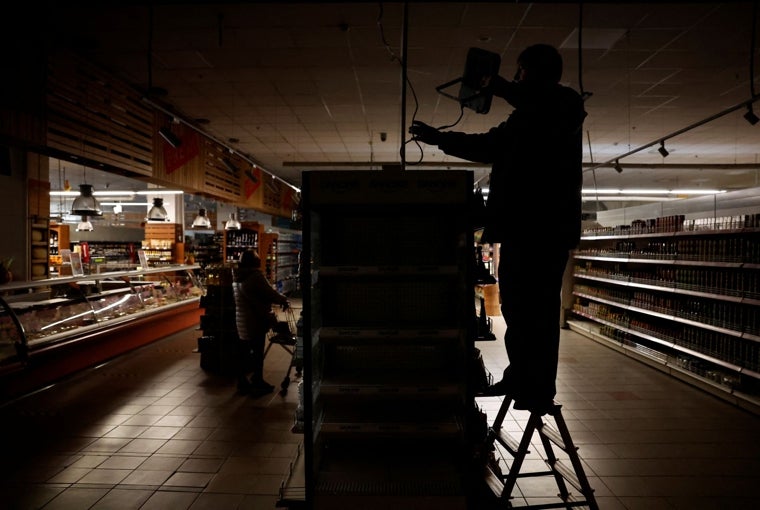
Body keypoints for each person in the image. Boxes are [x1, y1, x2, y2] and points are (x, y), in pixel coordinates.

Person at [409, 44, 586, 414]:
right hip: (525, 229)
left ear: (534, 73)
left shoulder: (563, 107)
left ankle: (536, 386)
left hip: (542, 229)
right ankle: (521, 374)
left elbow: (537, 107)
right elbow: (491, 144)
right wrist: (442, 139)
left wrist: (503, 87)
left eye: (521, 72)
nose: (517, 79)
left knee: (534, 310)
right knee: (518, 308)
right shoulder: (526, 119)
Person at [232, 249, 290, 396]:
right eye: (257, 257)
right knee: (257, 353)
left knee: (244, 352)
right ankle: (257, 381)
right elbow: (269, 293)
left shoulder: (237, 276)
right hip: (255, 320)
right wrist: (283, 299)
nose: (260, 259)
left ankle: (242, 382)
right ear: (253, 261)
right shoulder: (255, 276)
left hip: (241, 320)